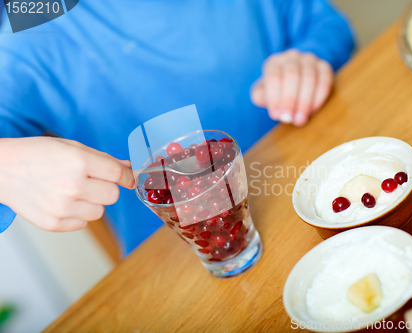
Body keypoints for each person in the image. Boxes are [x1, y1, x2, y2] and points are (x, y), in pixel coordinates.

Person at [0, 0, 355, 255]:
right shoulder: (32, 33)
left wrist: (310, 57)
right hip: (182, 264)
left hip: (321, 191)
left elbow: (325, 24)